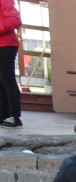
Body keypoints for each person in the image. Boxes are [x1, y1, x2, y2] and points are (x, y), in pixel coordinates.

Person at [0, 0, 21, 128]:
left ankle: (14, 117)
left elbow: (14, 20)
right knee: (1, 80)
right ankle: (3, 116)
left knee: (7, 80)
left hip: (6, 45)